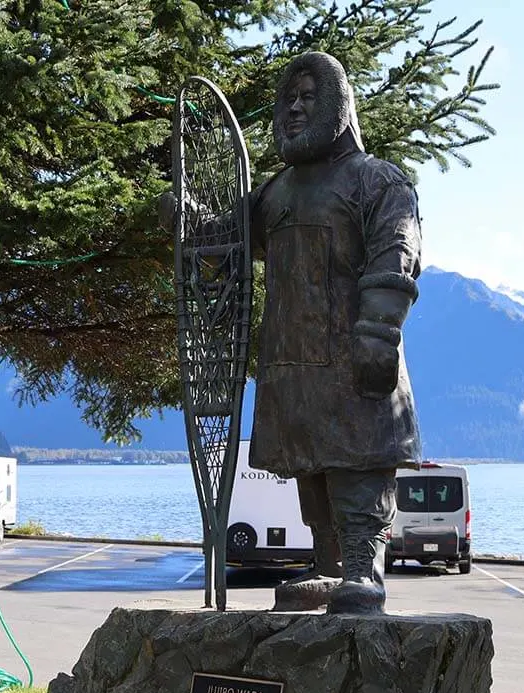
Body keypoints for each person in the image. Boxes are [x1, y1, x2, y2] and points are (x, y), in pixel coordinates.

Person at [165, 51, 423, 614]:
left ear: (339, 105)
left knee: (357, 468)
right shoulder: (276, 192)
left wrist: (378, 330)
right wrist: (187, 220)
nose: (296, 108)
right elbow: (226, 245)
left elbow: (394, 254)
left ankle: (362, 568)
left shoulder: (376, 181)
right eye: (290, 99)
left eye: (310, 97)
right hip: (290, 359)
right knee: (310, 466)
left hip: (353, 355)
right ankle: (329, 564)